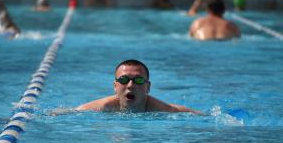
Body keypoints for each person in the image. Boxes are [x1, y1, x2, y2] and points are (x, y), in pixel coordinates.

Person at [50, 59, 200, 114]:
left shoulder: (165, 110)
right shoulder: (101, 108)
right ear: (115, 86)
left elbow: (200, 115)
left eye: (138, 80)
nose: (130, 85)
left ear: (148, 87)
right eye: (124, 80)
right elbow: (68, 112)